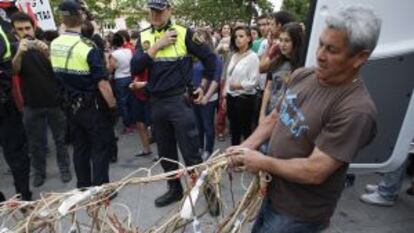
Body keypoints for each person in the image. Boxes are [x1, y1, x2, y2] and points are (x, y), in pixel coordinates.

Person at [227, 5, 381, 232]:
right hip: (272, 194)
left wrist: (261, 161)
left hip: (298, 213)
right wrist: (246, 147)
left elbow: (315, 171)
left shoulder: (356, 110)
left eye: (332, 50)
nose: (319, 55)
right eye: (320, 44)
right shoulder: (303, 75)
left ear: (360, 58)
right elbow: (275, 116)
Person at [131, 0, 216, 208]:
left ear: (169, 10)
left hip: (179, 101)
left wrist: (203, 86)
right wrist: (157, 46)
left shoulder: (184, 33)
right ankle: (174, 189)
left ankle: (209, 193)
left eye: (160, 11)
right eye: (152, 11)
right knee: (165, 152)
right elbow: (135, 67)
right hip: (156, 102)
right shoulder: (144, 36)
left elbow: (210, 59)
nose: (156, 15)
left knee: (191, 152)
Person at [50, 0, 117, 188]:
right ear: (81, 17)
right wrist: (112, 107)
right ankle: (101, 190)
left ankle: (83, 186)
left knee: (80, 148)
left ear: (63, 18)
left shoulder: (54, 44)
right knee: (99, 147)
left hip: (70, 105)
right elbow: (103, 84)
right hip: (91, 106)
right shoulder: (87, 46)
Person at [11, 12, 72, 187]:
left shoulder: (47, 46)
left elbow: (61, 71)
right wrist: (20, 54)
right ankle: (39, 172)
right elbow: (14, 71)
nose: (25, 32)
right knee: (35, 144)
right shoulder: (16, 48)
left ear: (34, 27)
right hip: (31, 105)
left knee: (60, 140)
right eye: (20, 29)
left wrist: (47, 54)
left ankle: (65, 169)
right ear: (15, 32)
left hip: (54, 103)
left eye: (27, 28)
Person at [0, 15, 31, 201]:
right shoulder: (3, 31)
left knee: (16, 153)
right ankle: (24, 196)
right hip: (4, 104)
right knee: (17, 153)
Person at [259, 22, 304, 123]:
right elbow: (268, 88)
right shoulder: (276, 62)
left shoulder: (302, 66)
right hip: (270, 113)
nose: (282, 44)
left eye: (287, 41)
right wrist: (262, 114)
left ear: (296, 42)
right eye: (281, 40)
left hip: (288, 118)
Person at [223, 25, 259, 146]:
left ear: (249, 38)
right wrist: (225, 95)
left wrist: (238, 85)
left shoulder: (253, 57)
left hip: (244, 99)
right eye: (236, 36)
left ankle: (246, 159)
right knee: (234, 130)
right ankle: (234, 158)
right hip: (231, 97)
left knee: (246, 131)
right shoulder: (234, 55)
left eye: (241, 36)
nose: (238, 39)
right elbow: (228, 76)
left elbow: (254, 82)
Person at [191, 28, 222, 160]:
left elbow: (216, 80)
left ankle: (208, 150)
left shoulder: (215, 58)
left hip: (208, 98)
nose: (197, 41)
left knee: (208, 125)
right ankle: (199, 147)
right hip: (195, 96)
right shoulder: (195, 57)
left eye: (200, 38)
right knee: (198, 125)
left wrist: (206, 97)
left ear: (207, 40)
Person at [108, 32, 134, 134]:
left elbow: (111, 69)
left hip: (120, 79)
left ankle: (128, 126)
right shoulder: (129, 51)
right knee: (131, 101)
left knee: (122, 103)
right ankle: (133, 121)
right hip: (130, 77)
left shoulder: (114, 54)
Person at [215, 23, 232, 142]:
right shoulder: (225, 40)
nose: (226, 30)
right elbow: (217, 51)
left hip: (238, 79)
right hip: (225, 77)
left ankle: (230, 128)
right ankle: (220, 130)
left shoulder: (234, 39)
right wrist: (222, 47)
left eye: (228, 28)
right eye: (224, 28)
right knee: (223, 106)